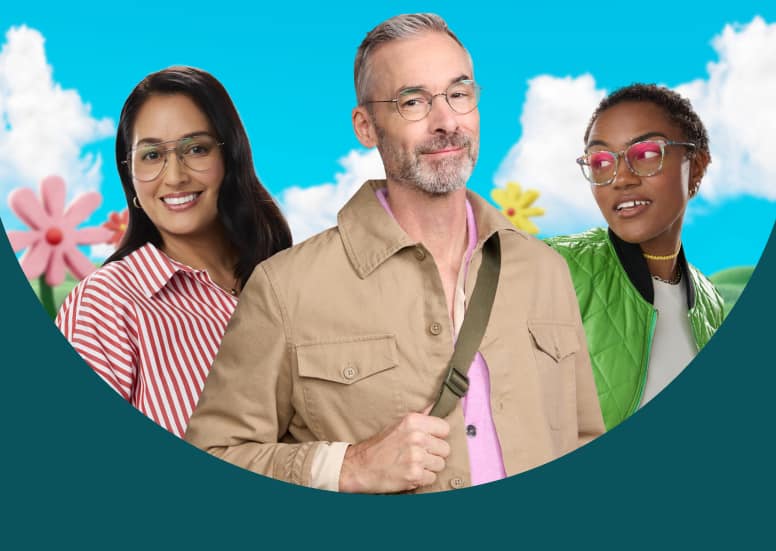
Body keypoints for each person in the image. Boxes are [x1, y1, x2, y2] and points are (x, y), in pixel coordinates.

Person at [185, 13, 604, 493]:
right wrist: (350, 466)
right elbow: (214, 454)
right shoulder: (285, 290)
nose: (446, 122)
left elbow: (583, 437)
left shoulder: (545, 270)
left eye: (459, 94)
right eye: (413, 101)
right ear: (366, 126)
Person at [56, 67, 292, 438]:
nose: (175, 176)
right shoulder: (104, 306)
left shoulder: (291, 282)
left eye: (196, 149)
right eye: (151, 156)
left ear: (230, 159)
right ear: (129, 176)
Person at [548, 84, 724, 431]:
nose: (621, 179)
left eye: (644, 154)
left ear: (697, 165)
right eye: (601, 161)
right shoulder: (556, 266)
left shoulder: (710, 302)